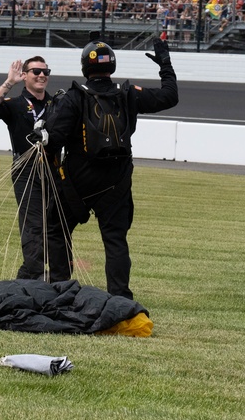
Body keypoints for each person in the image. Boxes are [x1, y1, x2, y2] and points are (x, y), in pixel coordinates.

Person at [39, 38, 178, 299]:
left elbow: (54, 139)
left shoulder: (72, 98)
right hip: (117, 181)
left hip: (77, 181)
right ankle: (120, 298)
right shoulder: (128, 94)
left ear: (84, 67)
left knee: (57, 230)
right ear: (111, 66)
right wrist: (165, 64)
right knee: (115, 239)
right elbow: (170, 96)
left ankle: (60, 289)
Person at [0, 56, 71, 282]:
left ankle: (48, 276)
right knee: (33, 224)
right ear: (25, 76)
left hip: (54, 169)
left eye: (46, 71)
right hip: (26, 170)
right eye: (36, 72)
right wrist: (9, 82)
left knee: (56, 223)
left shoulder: (57, 104)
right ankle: (35, 276)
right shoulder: (15, 104)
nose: (42, 75)